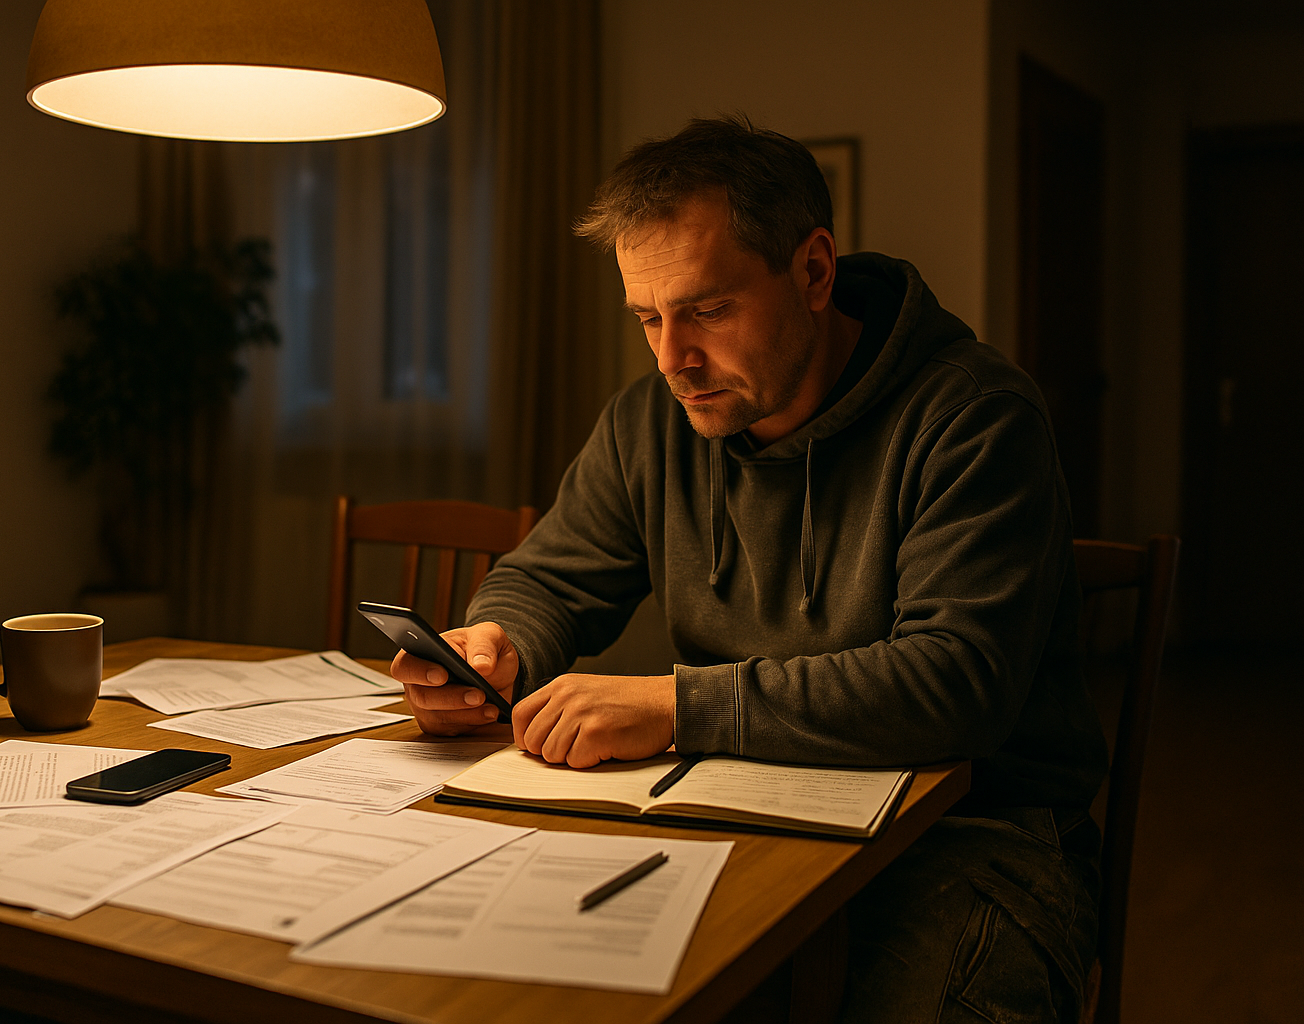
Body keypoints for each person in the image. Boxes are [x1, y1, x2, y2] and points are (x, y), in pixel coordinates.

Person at [391, 115, 1107, 1023]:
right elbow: (549, 579)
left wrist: (677, 705)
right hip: (730, 814)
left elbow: (954, 684)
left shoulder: (974, 417)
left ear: (813, 271)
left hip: (975, 840)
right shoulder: (648, 422)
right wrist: (500, 643)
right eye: (648, 318)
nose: (672, 359)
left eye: (707, 310)